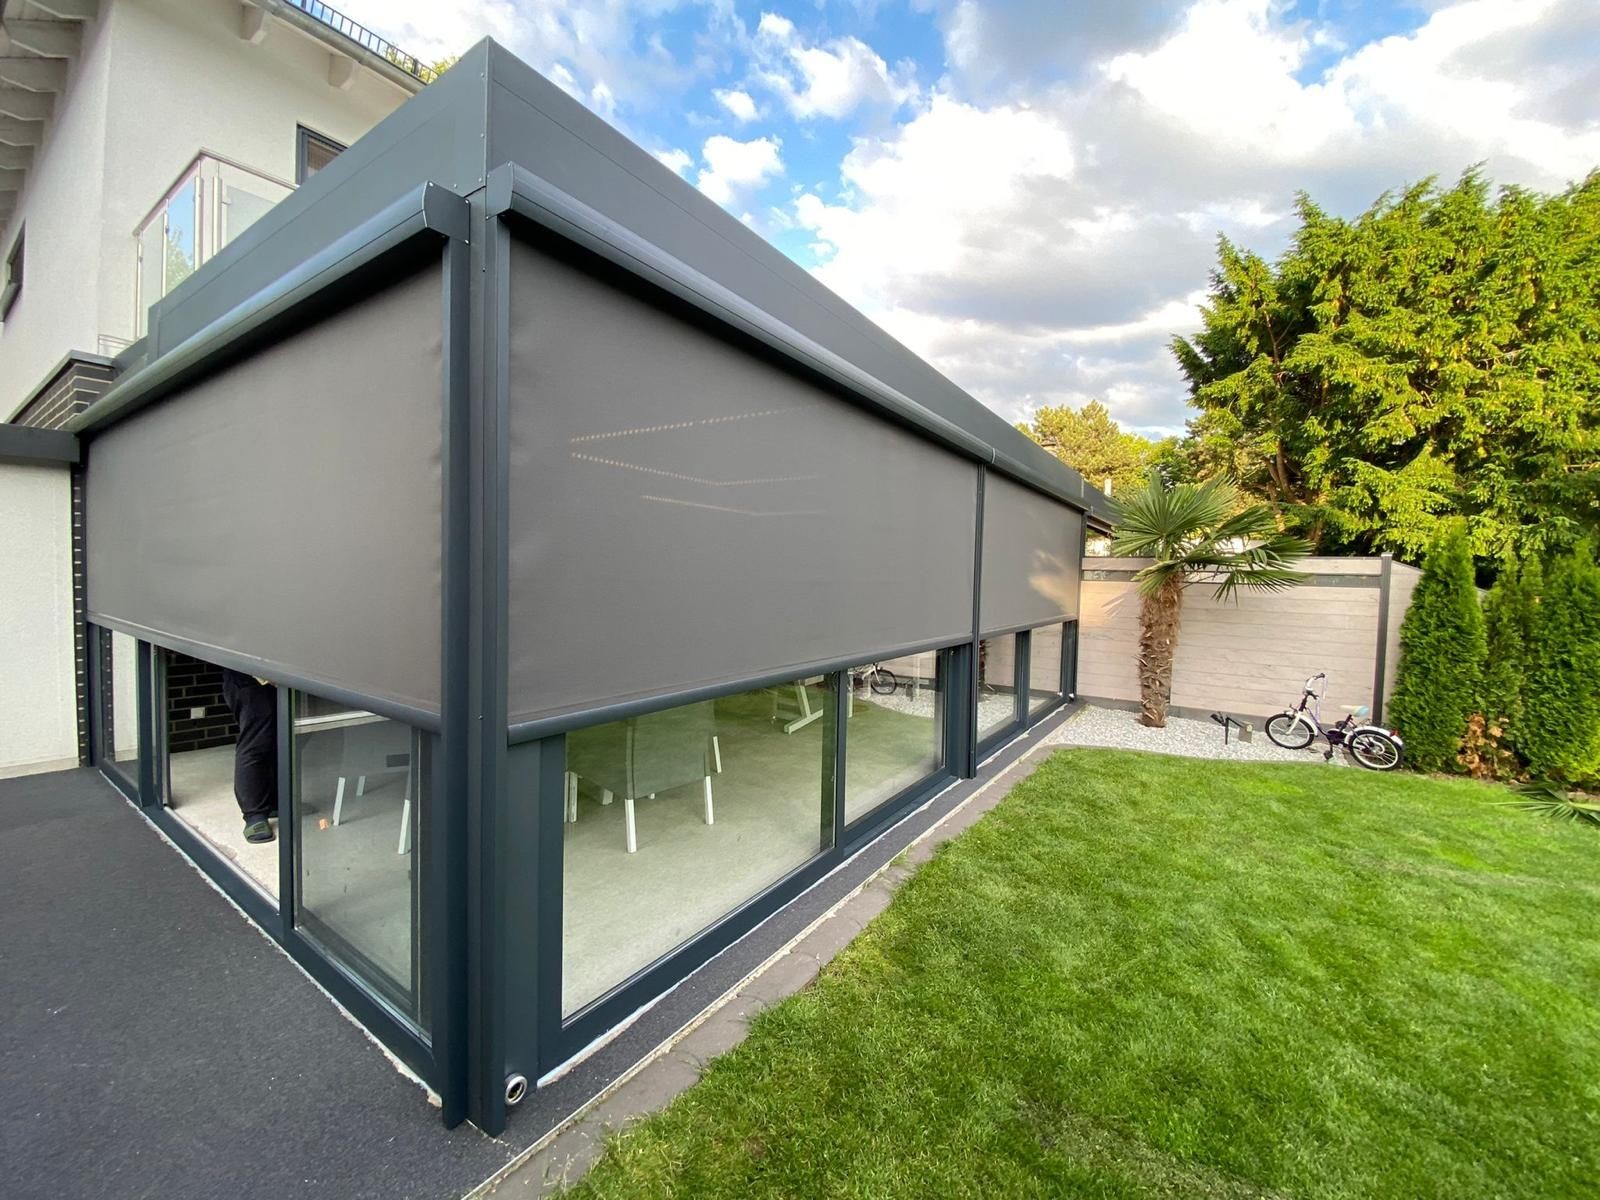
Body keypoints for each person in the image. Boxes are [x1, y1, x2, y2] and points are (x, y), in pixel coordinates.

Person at [220, 668, 278, 844]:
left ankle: (275, 802)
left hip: (274, 677)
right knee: (255, 745)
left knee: (277, 742)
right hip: (249, 678)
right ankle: (254, 815)